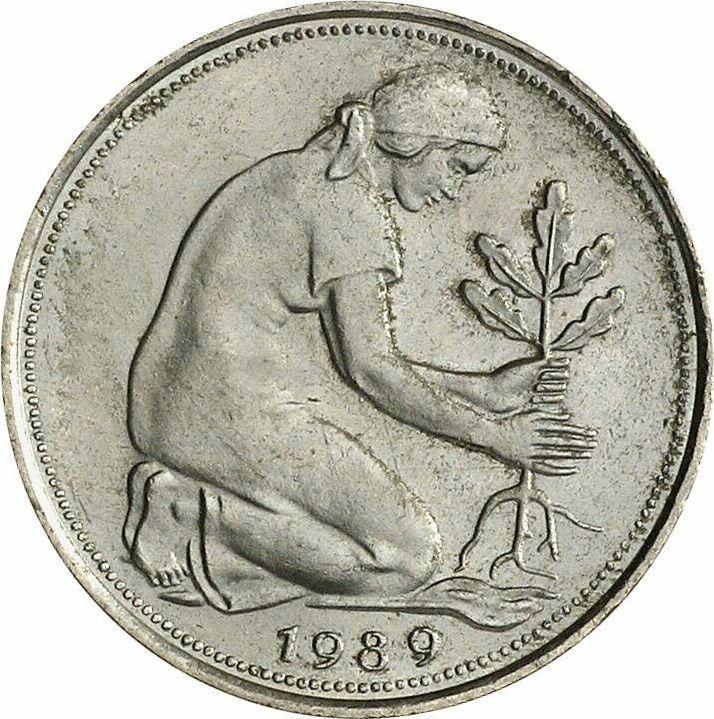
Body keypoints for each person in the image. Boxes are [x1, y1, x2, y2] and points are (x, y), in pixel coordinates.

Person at [122, 67, 593, 627]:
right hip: (222, 415)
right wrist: (498, 437)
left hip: (170, 402)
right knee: (404, 559)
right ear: (413, 142)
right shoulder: (349, 208)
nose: (456, 189)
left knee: (354, 543)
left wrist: (482, 391)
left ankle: (216, 530)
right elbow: (371, 370)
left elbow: (333, 363)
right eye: (457, 166)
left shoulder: (298, 171)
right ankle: (187, 510)